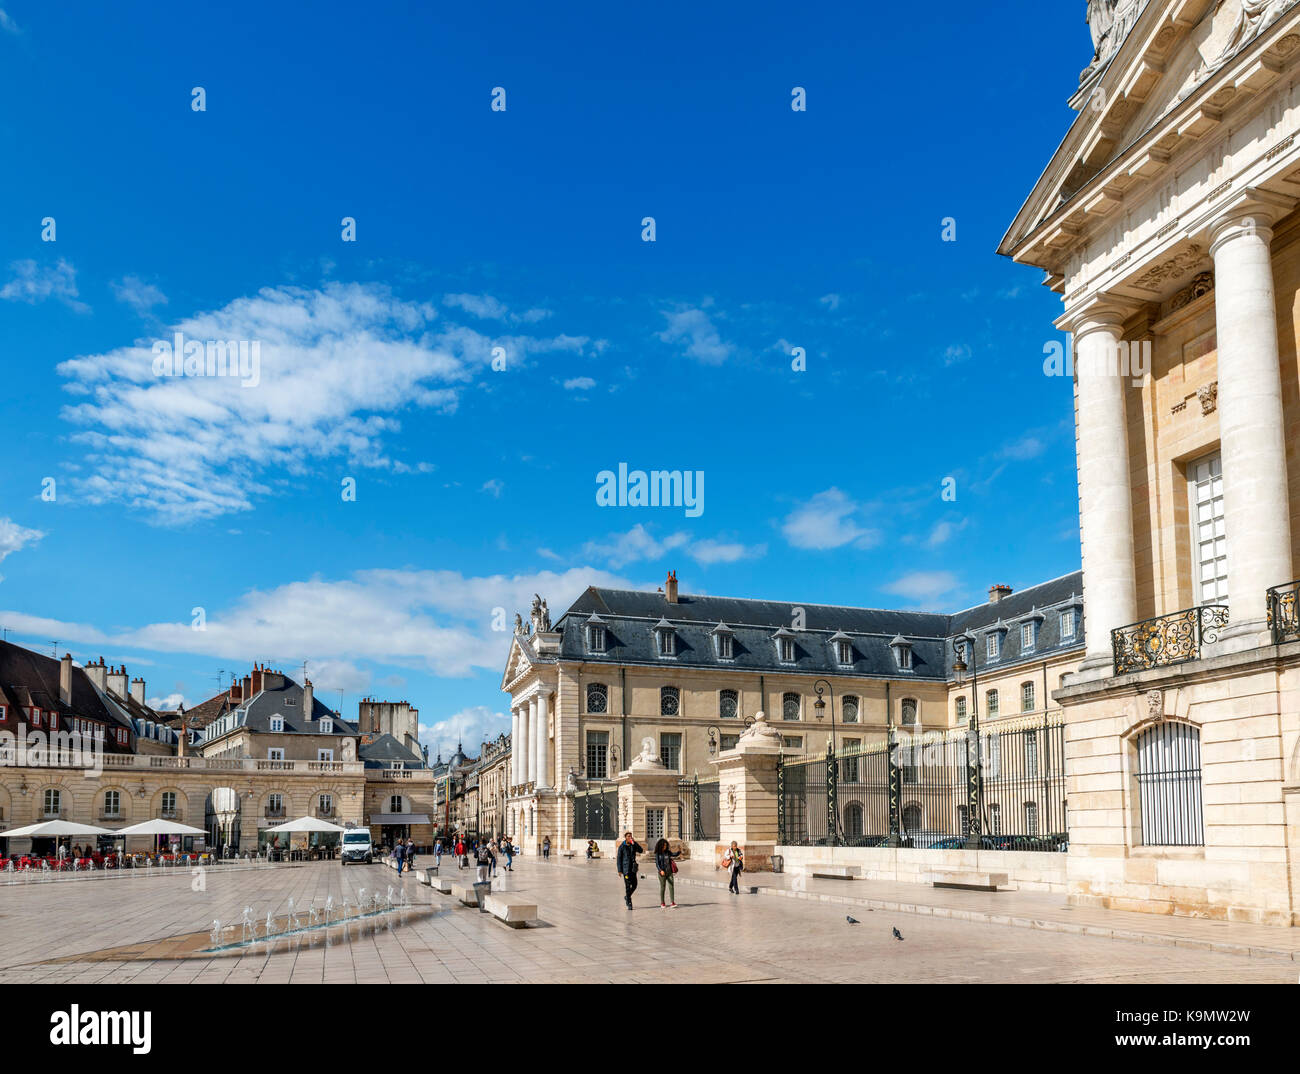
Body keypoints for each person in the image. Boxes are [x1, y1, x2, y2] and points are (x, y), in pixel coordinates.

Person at [616, 831, 644, 910]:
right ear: (625, 837)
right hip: (626, 870)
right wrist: (619, 870)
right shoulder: (622, 847)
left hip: (633, 869)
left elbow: (641, 850)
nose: (630, 837)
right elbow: (619, 859)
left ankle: (627, 896)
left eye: (631, 836)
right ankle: (629, 902)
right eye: (628, 836)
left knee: (635, 885)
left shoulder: (633, 845)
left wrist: (635, 843)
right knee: (628, 886)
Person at [654, 838, 680, 909]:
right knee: (663, 887)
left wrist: (679, 852)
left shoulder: (667, 852)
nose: (665, 847)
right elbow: (657, 863)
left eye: (666, 845)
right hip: (662, 873)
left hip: (669, 872)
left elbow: (674, 855)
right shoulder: (657, 854)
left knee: (671, 886)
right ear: (661, 845)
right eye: (664, 845)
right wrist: (660, 870)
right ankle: (662, 902)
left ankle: (672, 902)